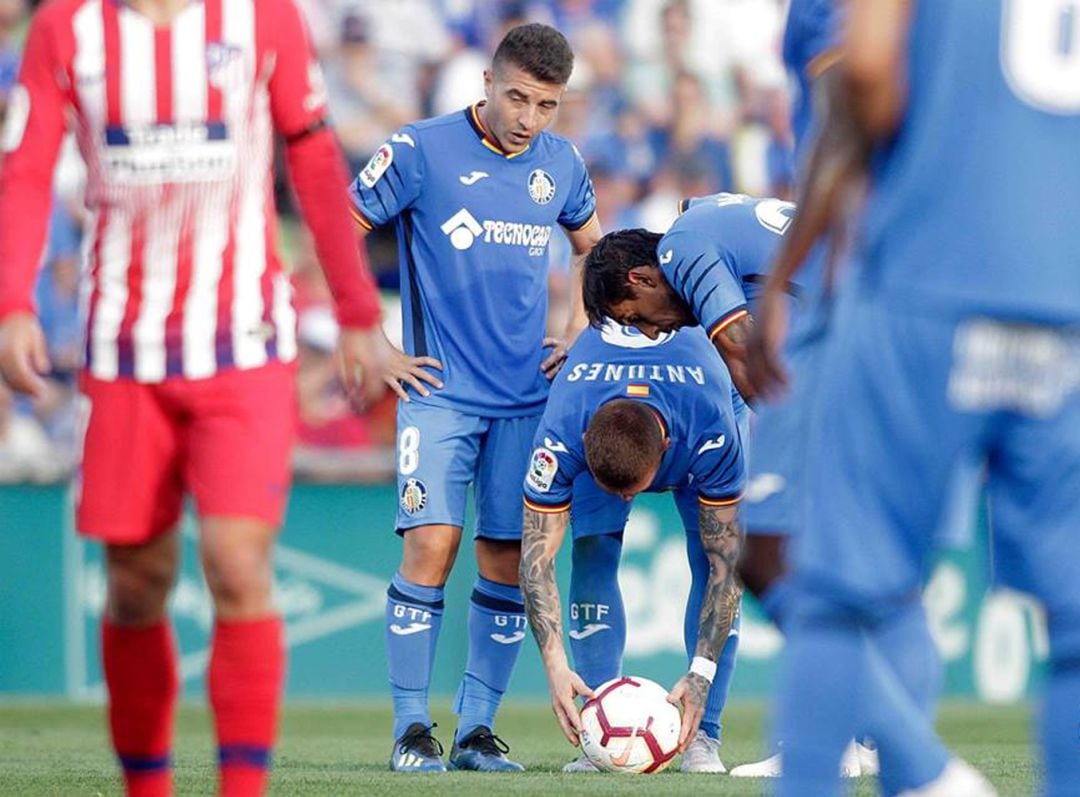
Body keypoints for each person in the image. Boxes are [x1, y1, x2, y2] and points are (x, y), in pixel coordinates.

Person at [0, 0, 395, 795]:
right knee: (136, 582)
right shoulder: (67, 29)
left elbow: (313, 160)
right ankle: (147, 785)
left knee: (236, 561)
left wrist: (356, 310)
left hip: (243, 346)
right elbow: (26, 169)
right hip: (122, 353)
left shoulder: (263, 19)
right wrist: (12, 301)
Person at [749, 0, 1080, 793]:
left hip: (928, 281)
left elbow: (864, 71)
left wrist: (790, 265)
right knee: (1072, 628)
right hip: (1064, 306)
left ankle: (899, 769)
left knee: (835, 590)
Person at [347, 22, 602, 772]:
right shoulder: (421, 150)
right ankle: (410, 729)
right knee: (433, 543)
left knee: (504, 557)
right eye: (517, 97)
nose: (528, 118)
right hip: (440, 392)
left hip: (527, 399)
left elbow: (592, 245)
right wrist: (373, 339)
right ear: (485, 83)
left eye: (546, 105)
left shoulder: (562, 164)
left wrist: (578, 325)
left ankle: (477, 732)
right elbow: (341, 228)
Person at [518, 311, 745, 768]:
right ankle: (596, 726)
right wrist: (555, 664)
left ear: (664, 456)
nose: (625, 500)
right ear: (584, 444)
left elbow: (729, 567)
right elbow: (535, 560)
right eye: (613, 489)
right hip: (607, 410)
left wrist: (700, 673)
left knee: (710, 558)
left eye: (631, 491)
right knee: (592, 550)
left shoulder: (712, 428)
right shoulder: (563, 428)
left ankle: (704, 737)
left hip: (698, 410)